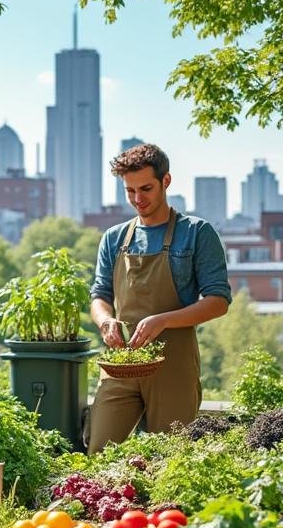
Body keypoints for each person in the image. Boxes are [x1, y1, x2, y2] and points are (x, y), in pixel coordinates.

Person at [87, 143, 231, 453]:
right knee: (98, 451)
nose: (138, 199)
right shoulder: (114, 238)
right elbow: (99, 295)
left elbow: (219, 300)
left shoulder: (196, 233)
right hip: (120, 365)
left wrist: (164, 320)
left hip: (174, 367)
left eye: (146, 188)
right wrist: (105, 320)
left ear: (166, 181)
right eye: (130, 191)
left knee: (170, 458)